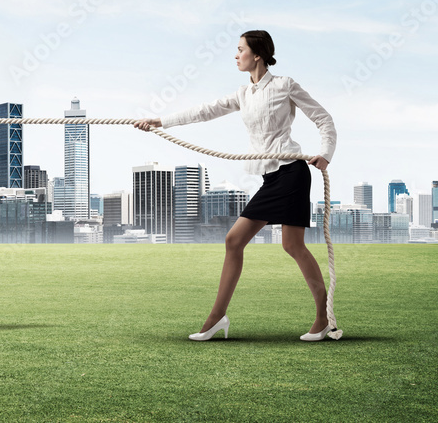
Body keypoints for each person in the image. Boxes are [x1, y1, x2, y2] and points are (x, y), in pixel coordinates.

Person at [134, 30, 336, 342]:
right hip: (271, 178)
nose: (235, 55)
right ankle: (217, 319)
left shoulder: (285, 85)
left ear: (257, 54)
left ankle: (323, 319)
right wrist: (160, 122)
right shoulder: (243, 94)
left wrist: (325, 154)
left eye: (240, 49)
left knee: (291, 246)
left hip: (293, 172)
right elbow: (204, 111)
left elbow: (324, 120)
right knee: (234, 241)